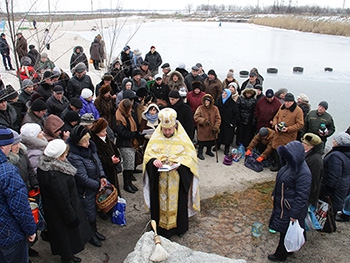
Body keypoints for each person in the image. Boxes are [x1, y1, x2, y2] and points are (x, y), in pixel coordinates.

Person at [143, 107, 200, 238]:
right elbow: (148, 156)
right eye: (165, 129)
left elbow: (191, 158)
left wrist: (180, 164)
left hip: (177, 180)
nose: (167, 132)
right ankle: (161, 229)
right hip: (160, 181)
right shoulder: (156, 138)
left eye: (170, 129)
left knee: (179, 203)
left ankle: (179, 228)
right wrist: (153, 160)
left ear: (175, 125)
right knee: (159, 203)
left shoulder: (183, 138)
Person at [37, 139, 93, 263]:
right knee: (65, 237)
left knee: (63, 236)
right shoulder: (56, 175)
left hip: (55, 209)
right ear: (58, 156)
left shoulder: (46, 165)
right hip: (61, 212)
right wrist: (71, 217)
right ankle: (67, 258)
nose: (66, 155)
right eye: (64, 153)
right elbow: (62, 199)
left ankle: (68, 256)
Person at [268, 140, 311, 262]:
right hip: (284, 204)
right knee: (286, 230)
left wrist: (294, 214)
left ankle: (280, 255)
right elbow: (280, 182)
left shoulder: (304, 173)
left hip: (289, 207)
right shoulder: (289, 165)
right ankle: (289, 249)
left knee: (285, 231)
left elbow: (302, 196)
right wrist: (273, 194)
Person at [0, 126, 37, 263]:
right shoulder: (8, 171)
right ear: (2, 147)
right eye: (10, 145)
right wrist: (31, 229)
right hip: (9, 234)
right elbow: (20, 207)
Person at [67, 125, 108, 248]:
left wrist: (102, 176)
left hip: (94, 184)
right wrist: (98, 185)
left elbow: (97, 162)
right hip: (85, 190)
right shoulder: (74, 156)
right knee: (88, 213)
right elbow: (82, 178)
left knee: (93, 211)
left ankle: (94, 231)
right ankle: (90, 234)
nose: (88, 143)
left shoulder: (90, 147)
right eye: (84, 142)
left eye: (88, 140)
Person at [270, 93, 304, 171]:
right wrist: (275, 125)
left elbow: (300, 124)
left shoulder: (298, 111)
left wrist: (288, 129)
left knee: (286, 151)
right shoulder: (282, 107)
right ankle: (277, 165)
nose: (287, 103)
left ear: (293, 102)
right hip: (278, 133)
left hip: (288, 136)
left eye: (289, 102)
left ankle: (285, 166)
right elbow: (276, 117)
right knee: (275, 149)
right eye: (286, 101)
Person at [115, 99, 141, 194]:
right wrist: (134, 134)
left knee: (131, 163)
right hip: (124, 144)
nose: (131, 109)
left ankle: (129, 182)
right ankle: (126, 184)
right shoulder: (118, 117)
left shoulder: (128, 115)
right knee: (128, 164)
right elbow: (121, 132)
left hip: (130, 143)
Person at [320, 132, 350, 214]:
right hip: (344, 186)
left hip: (335, 188)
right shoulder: (346, 154)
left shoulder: (336, 156)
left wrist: (327, 192)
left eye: (334, 140)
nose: (333, 141)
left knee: (328, 209)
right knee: (335, 208)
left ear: (339, 142)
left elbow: (334, 176)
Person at [90, 118, 121, 195]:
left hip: (112, 169)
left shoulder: (106, 139)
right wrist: (110, 161)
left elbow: (115, 149)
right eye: (103, 131)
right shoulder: (94, 143)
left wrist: (117, 158)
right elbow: (98, 159)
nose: (105, 133)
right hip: (105, 172)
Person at [194, 94, 221, 160]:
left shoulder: (215, 108)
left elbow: (218, 118)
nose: (206, 102)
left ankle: (208, 151)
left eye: (208, 101)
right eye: (205, 101)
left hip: (212, 128)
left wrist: (216, 127)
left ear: (210, 102)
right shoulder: (200, 108)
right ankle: (199, 153)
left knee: (211, 141)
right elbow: (196, 117)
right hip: (203, 129)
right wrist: (203, 121)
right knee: (202, 142)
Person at [301, 133, 323, 207]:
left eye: (304, 143)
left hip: (307, 196)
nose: (302, 144)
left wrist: (306, 197)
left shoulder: (316, 160)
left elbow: (314, 181)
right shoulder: (306, 153)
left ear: (311, 146)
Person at [215, 88, 239, 155]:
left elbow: (236, 114)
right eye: (223, 93)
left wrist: (232, 122)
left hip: (228, 123)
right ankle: (218, 145)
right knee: (219, 134)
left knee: (227, 136)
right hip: (220, 121)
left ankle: (226, 148)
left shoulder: (232, 103)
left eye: (225, 93)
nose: (223, 94)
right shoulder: (218, 101)